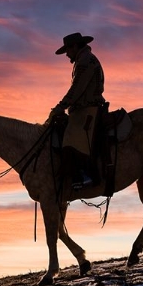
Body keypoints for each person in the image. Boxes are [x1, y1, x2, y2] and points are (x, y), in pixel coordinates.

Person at [47, 32, 107, 189]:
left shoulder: (85, 61)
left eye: (67, 50)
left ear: (74, 46)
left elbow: (77, 88)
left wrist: (60, 107)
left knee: (70, 140)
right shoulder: (83, 59)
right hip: (82, 109)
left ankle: (85, 176)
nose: (66, 54)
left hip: (87, 110)